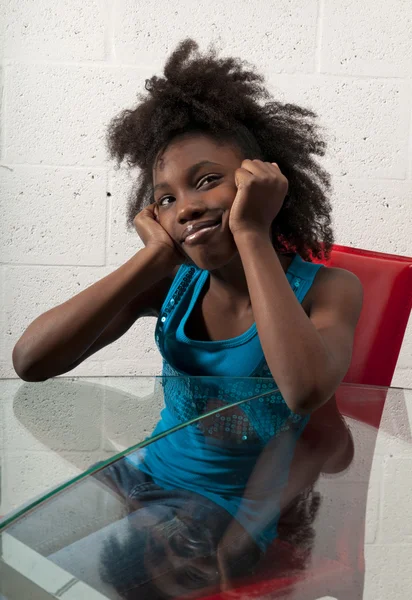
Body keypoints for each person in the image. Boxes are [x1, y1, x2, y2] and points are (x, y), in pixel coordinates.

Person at [11, 39, 362, 597]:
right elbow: (31, 361)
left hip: (224, 507)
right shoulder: (175, 282)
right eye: (165, 199)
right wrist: (153, 255)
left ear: (262, 180)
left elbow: (304, 392)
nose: (186, 207)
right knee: (15, 560)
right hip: (142, 478)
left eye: (205, 181)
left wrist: (251, 233)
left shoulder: (329, 289)